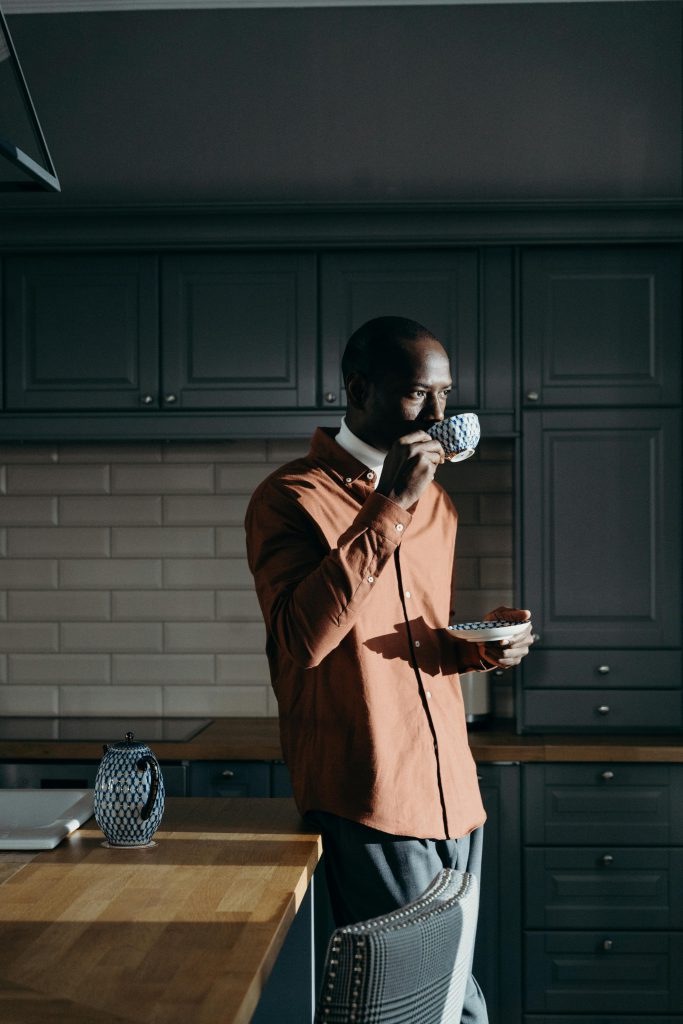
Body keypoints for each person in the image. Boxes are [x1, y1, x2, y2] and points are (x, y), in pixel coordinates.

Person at [245, 316, 533, 1023]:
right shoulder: (289, 497)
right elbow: (302, 642)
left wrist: (477, 647)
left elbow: (412, 638)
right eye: (414, 396)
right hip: (368, 792)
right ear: (357, 390)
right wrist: (389, 503)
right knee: (433, 1007)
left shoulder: (438, 502)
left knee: (450, 996)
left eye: (445, 395)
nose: (439, 416)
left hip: (454, 793)